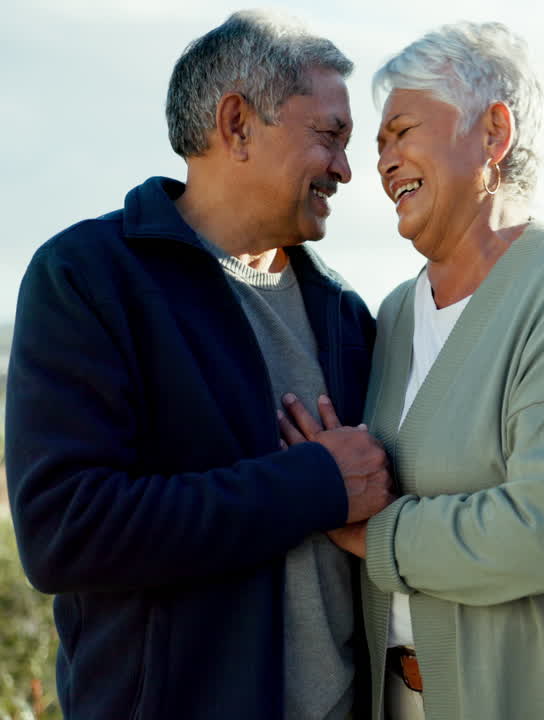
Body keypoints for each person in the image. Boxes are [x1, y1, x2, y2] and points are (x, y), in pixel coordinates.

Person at [4, 12, 392, 720]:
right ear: (237, 124)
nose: (345, 169)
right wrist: (312, 484)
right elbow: (66, 532)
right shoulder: (88, 277)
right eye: (329, 137)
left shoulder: (345, 314)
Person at [280, 21, 544, 720]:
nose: (383, 161)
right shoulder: (395, 314)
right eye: (378, 145)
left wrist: (371, 533)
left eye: (401, 131)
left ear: (493, 133)